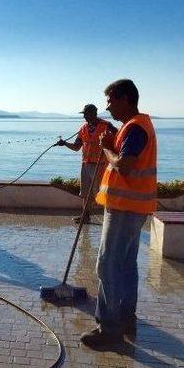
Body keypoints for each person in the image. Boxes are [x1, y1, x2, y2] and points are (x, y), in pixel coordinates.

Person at [81, 79, 157, 347]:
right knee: (126, 265)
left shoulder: (135, 128)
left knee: (108, 264)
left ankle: (109, 328)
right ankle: (126, 318)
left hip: (125, 208)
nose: (108, 107)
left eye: (111, 101)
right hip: (133, 208)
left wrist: (105, 147)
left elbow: (124, 165)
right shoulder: (135, 126)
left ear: (125, 99)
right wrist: (113, 141)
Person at [56, 104, 117, 223]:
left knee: (102, 192)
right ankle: (85, 216)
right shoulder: (83, 128)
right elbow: (76, 147)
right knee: (85, 193)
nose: (84, 116)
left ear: (93, 113)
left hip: (100, 165)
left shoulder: (106, 126)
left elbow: (118, 139)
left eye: (86, 114)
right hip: (85, 164)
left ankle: (111, 218)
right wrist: (64, 143)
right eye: (83, 114)